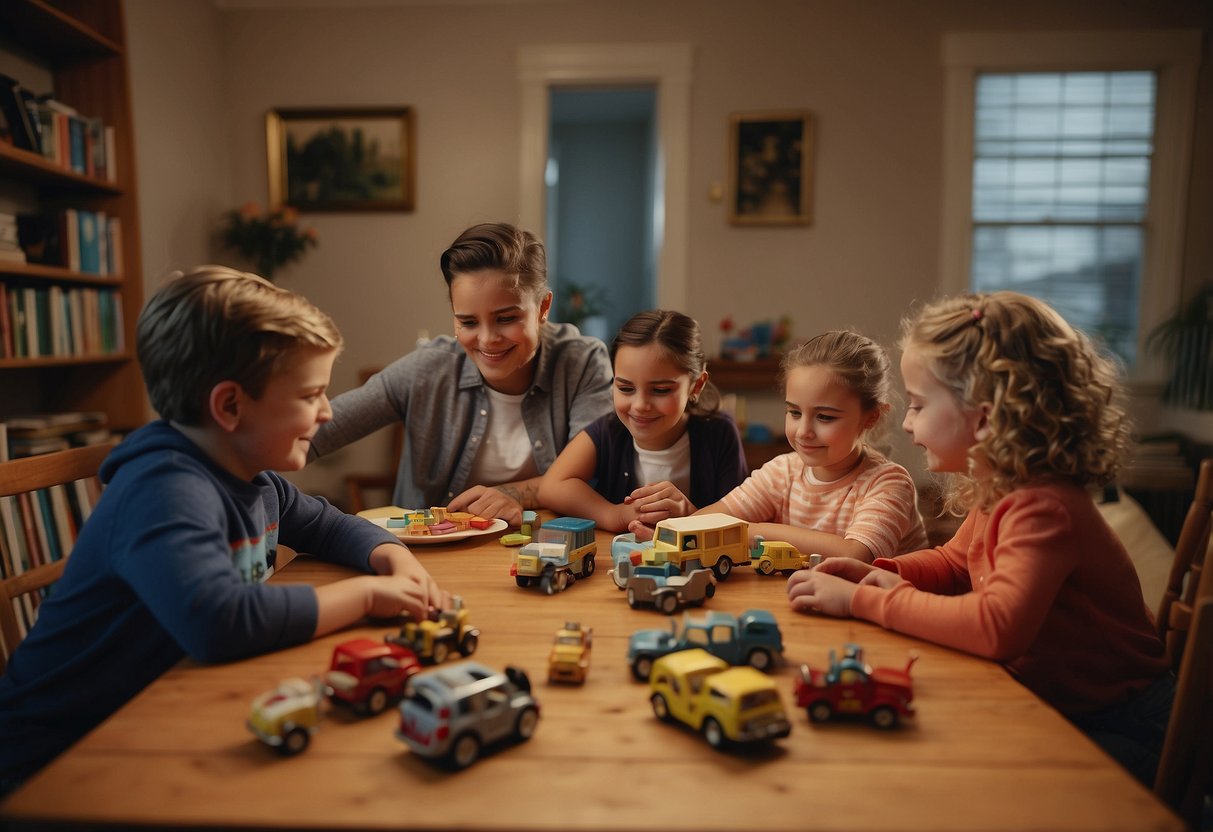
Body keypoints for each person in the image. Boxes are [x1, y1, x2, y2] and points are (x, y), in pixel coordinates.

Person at [0, 267, 448, 794]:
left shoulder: (254, 476)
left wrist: (394, 559)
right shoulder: (164, 489)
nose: (328, 412)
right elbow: (219, 623)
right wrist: (369, 594)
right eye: (311, 395)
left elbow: (328, 526)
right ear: (230, 406)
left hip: (161, 709)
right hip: (56, 754)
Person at [787, 292, 1172, 786]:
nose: (906, 422)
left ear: (986, 418)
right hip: (1056, 698)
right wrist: (881, 571)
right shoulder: (1003, 488)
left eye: (920, 405)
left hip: (1119, 724)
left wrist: (867, 601)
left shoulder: (1042, 506)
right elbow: (953, 563)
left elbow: (996, 627)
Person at [308, 222, 613, 525]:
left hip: (547, 547)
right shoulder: (426, 369)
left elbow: (592, 468)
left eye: (506, 318)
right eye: (468, 323)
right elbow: (315, 432)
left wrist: (512, 493)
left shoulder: (582, 363)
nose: (487, 339)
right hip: (431, 558)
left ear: (543, 307)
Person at [698, 330, 928, 561]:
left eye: (825, 417)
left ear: (871, 417)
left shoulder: (890, 483)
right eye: (795, 412)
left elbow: (856, 555)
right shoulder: (781, 473)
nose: (803, 432)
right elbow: (708, 521)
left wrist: (750, 532)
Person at [537, 310, 746, 533]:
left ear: (696, 385)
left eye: (660, 390)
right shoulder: (608, 430)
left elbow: (739, 522)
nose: (639, 405)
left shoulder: (718, 433)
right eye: (625, 388)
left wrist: (690, 518)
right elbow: (551, 487)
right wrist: (614, 515)